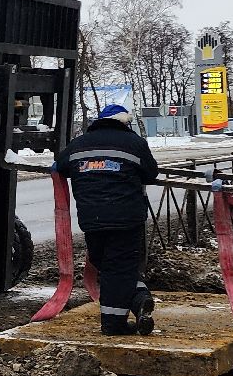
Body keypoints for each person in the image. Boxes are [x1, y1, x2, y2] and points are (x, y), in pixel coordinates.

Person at [61, 103, 161, 336]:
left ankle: (138, 300)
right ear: (124, 122)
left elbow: (60, 166)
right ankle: (114, 323)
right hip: (126, 220)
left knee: (107, 265)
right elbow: (151, 173)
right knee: (120, 268)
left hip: (91, 220)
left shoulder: (78, 144)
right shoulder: (135, 143)